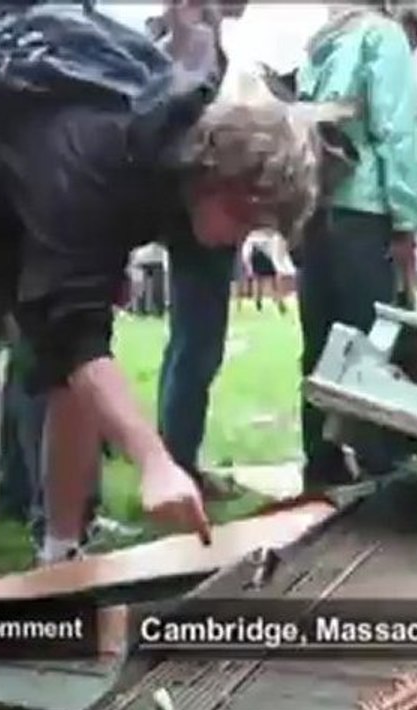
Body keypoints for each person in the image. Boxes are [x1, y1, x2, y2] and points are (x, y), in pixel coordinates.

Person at [0, 0, 318, 575]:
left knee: (74, 386)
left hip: (48, 225)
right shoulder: (100, 146)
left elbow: (80, 329)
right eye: (247, 221)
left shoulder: (172, 158)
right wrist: (153, 459)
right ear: (219, 178)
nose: (242, 240)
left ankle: (60, 551)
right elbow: (75, 327)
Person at [296, 1, 417, 492]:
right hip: (367, 206)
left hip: (318, 204)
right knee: (373, 340)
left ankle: (321, 457)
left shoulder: (323, 42)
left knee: (320, 340)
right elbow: (396, 131)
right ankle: (379, 459)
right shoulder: (384, 37)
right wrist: (407, 217)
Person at [155, 0, 246, 500]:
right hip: (203, 205)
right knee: (199, 340)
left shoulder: (185, 30)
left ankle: (176, 456)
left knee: (188, 339)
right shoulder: (196, 36)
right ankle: (180, 464)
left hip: (188, 207)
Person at [240, 229, 288, 314]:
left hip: (261, 253)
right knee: (265, 281)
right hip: (262, 253)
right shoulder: (256, 235)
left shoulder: (254, 235)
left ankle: (269, 301)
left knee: (262, 280)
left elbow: (247, 252)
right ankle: (274, 301)